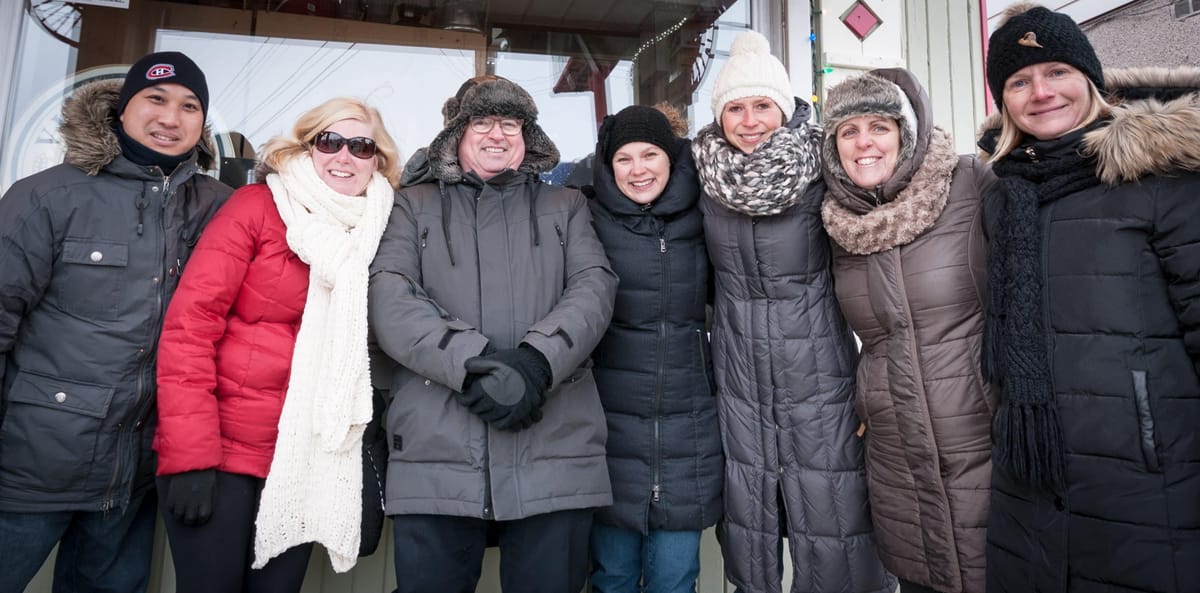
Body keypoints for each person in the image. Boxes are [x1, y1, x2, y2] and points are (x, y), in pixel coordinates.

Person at [978, 4, 1200, 593]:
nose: (1041, 92)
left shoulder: (1161, 179)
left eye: (1056, 72)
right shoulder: (1004, 197)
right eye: (1019, 81)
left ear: (1090, 80)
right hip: (1030, 484)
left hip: (1150, 489)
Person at [369, 75, 618, 593]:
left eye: (511, 123)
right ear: (456, 135)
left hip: (553, 448)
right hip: (438, 447)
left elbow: (594, 289)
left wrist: (536, 362)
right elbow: (389, 298)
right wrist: (473, 365)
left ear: (527, 137)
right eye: (482, 121)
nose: (496, 134)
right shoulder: (411, 206)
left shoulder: (565, 207)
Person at [0, 51, 230, 593]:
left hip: (135, 479)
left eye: (189, 106)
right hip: (31, 467)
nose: (171, 118)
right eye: (155, 99)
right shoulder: (47, 196)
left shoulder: (219, 207)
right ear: (121, 109)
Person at [152, 97, 400, 592]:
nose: (343, 157)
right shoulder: (258, 207)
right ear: (306, 148)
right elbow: (189, 329)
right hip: (222, 454)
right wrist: (191, 456)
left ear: (379, 160)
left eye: (361, 146)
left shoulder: (382, 230)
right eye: (329, 141)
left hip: (306, 461)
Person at [690, 30, 894, 593]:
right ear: (719, 115)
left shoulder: (823, 170)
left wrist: (873, 386)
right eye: (736, 107)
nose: (750, 120)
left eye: (762, 106)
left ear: (784, 108)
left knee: (834, 521)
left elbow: (872, 275)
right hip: (739, 379)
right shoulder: (703, 180)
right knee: (751, 523)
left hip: (822, 376)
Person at [819, 68, 996, 593]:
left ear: (907, 133)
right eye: (848, 132)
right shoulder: (835, 224)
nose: (864, 142)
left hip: (984, 437)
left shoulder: (971, 183)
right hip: (896, 454)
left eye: (879, 126)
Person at [585, 104, 723, 593]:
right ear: (608, 164)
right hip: (609, 438)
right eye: (624, 158)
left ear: (672, 158)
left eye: (650, 155)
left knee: (675, 578)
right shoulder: (583, 218)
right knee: (613, 578)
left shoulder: (707, 215)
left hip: (689, 435)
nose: (638, 169)